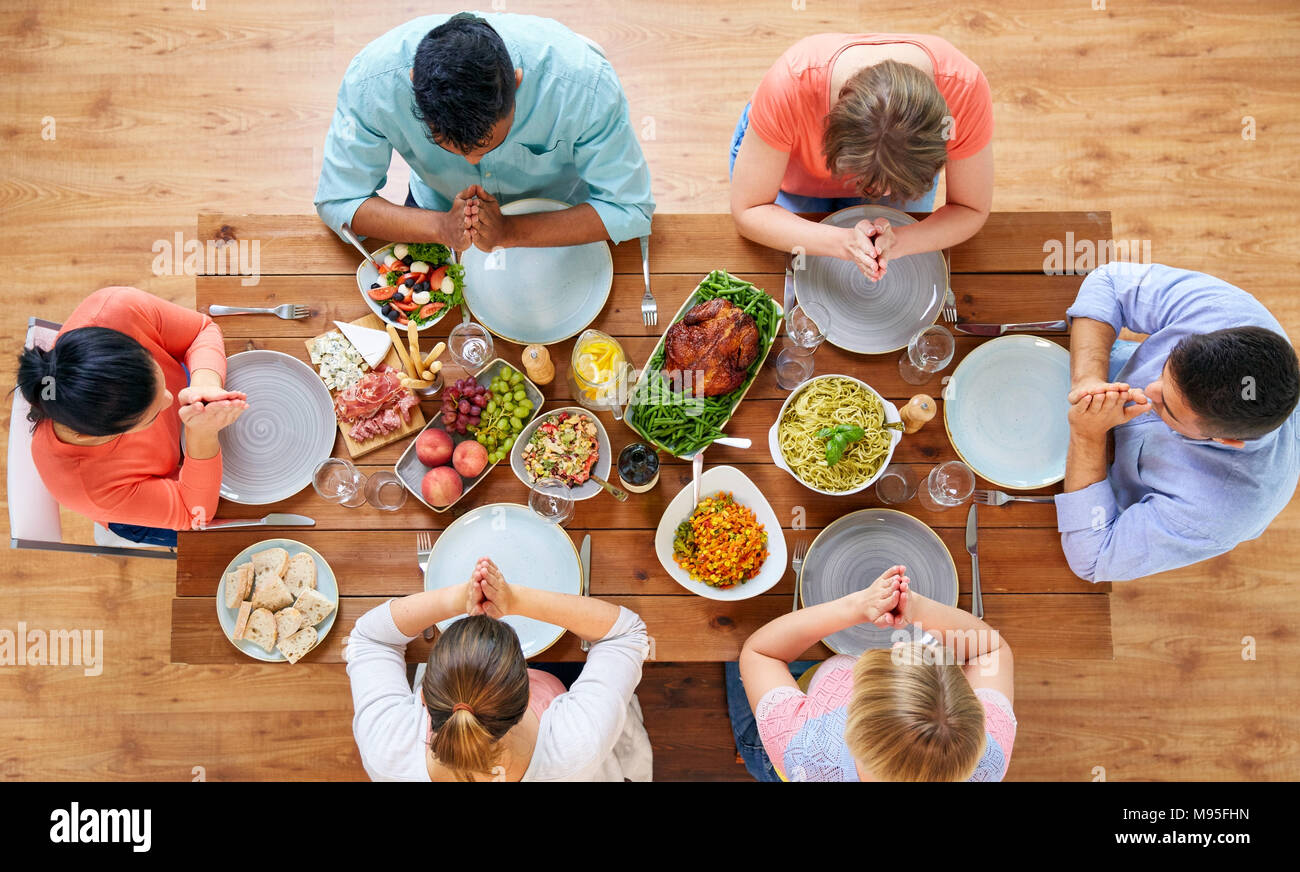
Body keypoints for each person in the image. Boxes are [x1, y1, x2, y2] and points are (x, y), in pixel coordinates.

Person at [315, 12, 654, 252]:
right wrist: (439, 227)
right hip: (435, 211)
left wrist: (510, 231)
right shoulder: (370, 82)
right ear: (415, 86)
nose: (473, 161)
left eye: (489, 143)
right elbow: (340, 200)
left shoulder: (585, 86)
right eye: (447, 145)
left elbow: (629, 209)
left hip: (558, 215)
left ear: (517, 84)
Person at [1057, 262, 1300, 582]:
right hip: (1079, 369)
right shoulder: (1227, 312)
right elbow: (1109, 283)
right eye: (1165, 371)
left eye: (1167, 407)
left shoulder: (1221, 513)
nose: (1147, 391)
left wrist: (1088, 438)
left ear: (1225, 441)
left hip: (1085, 488)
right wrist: (1087, 378)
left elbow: (1094, 557)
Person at [346, 557, 652, 781]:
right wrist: (514, 599)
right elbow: (627, 634)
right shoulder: (575, 742)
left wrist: (458, 598)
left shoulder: (387, 750)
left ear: (425, 697)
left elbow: (371, 639)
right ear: (527, 694)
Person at [730, 33, 993, 281]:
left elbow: (970, 208)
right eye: (868, 180)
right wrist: (841, 243)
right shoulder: (789, 86)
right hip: (792, 172)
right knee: (791, 261)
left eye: (892, 185)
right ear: (831, 130)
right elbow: (749, 210)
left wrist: (901, 240)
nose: (879, 192)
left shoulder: (965, 91)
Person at [731, 565, 1016, 782]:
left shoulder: (806, 747)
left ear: (851, 721)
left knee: (733, 635)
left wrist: (855, 607)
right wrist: (917, 610)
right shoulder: (987, 757)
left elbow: (762, 654)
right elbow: (989, 650)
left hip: (779, 757)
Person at [16, 287, 247, 546]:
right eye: (150, 417)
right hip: (144, 504)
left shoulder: (116, 309)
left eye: (159, 374)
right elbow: (193, 513)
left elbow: (201, 330)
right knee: (237, 525)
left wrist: (205, 385)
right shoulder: (87, 487)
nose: (171, 398)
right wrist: (201, 434)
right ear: (94, 435)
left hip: (182, 456)